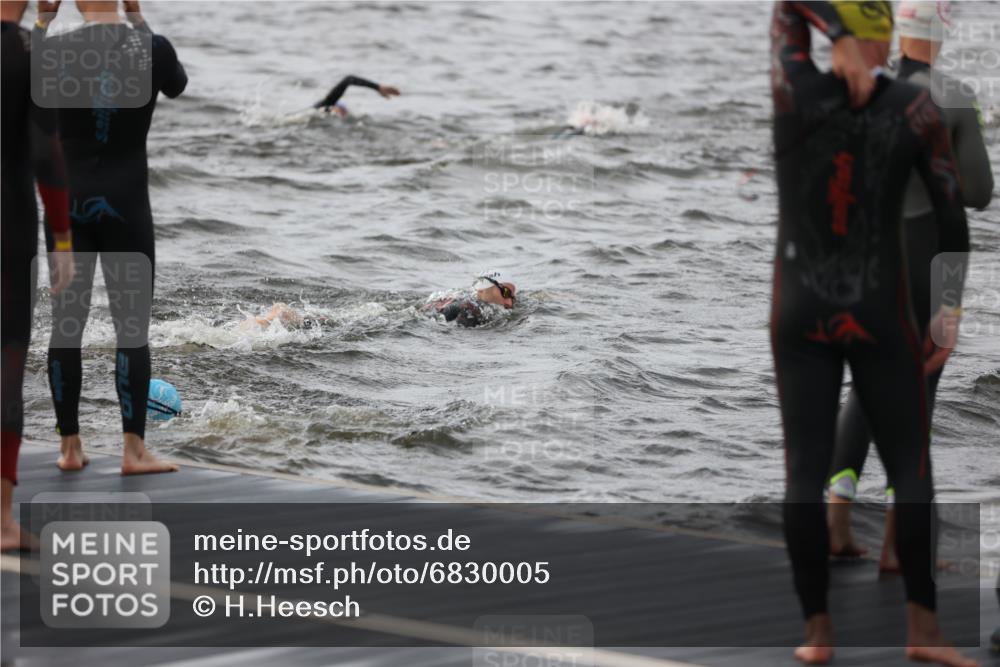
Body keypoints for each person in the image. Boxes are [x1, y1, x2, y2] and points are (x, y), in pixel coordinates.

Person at [770, 2, 975, 666]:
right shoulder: (914, 108)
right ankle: (924, 629)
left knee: (803, 470)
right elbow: (954, 219)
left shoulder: (793, 89)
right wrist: (945, 313)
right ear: (885, 38)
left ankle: (817, 635)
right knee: (912, 466)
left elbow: (786, 10)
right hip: (880, 306)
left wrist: (834, 37)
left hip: (799, 308)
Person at [827, 0, 994, 568]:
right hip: (937, 265)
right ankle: (901, 546)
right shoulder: (950, 96)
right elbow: (977, 193)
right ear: (944, 30)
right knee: (920, 391)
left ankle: (835, 524)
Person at [38, 0, 186, 475]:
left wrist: (42, 20)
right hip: (126, 205)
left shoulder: (54, 50)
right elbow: (178, 86)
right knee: (131, 330)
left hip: (68, 207)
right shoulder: (151, 47)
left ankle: (69, 448)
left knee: (67, 325)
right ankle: (132, 451)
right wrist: (139, 18)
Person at [1, 0, 75, 551]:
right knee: (6, 360)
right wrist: (63, 239)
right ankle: (2, 520)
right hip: (8, 223)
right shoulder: (33, 53)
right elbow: (48, 155)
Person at [428, 270, 516, 328]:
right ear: (482, 289)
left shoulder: (458, 298)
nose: (510, 303)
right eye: (506, 292)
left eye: (512, 298)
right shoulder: (470, 310)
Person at [314, 75, 399, 117]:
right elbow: (349, 79)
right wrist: (377, 87)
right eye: (340, 109)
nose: (341, 113)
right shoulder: (327, 103)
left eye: (344, 112)